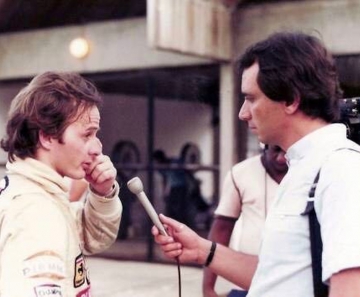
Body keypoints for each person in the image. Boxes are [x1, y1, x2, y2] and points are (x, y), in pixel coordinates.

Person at [152, 31, 360, 297]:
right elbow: (275, 276)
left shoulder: (340, 168)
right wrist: (202, 250)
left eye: (251, 98)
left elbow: (351, 288)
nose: (242, 113)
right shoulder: (304, 166)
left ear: (291, 99)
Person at [0, 71, 122, 296]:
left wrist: (102, 194)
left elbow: (92, 238)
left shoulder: (38, 192)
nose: (97, 147)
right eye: (87, 135)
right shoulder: (35, 212)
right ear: (46, 137)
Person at [203, 144, 287, 297]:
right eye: (276, 150)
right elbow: (221, 229)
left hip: (295, 282)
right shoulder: (241, 173)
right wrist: (208, 288)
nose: (281, 157)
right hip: (246, 283)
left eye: (286, 151)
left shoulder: (310, 171)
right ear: (265, 147)